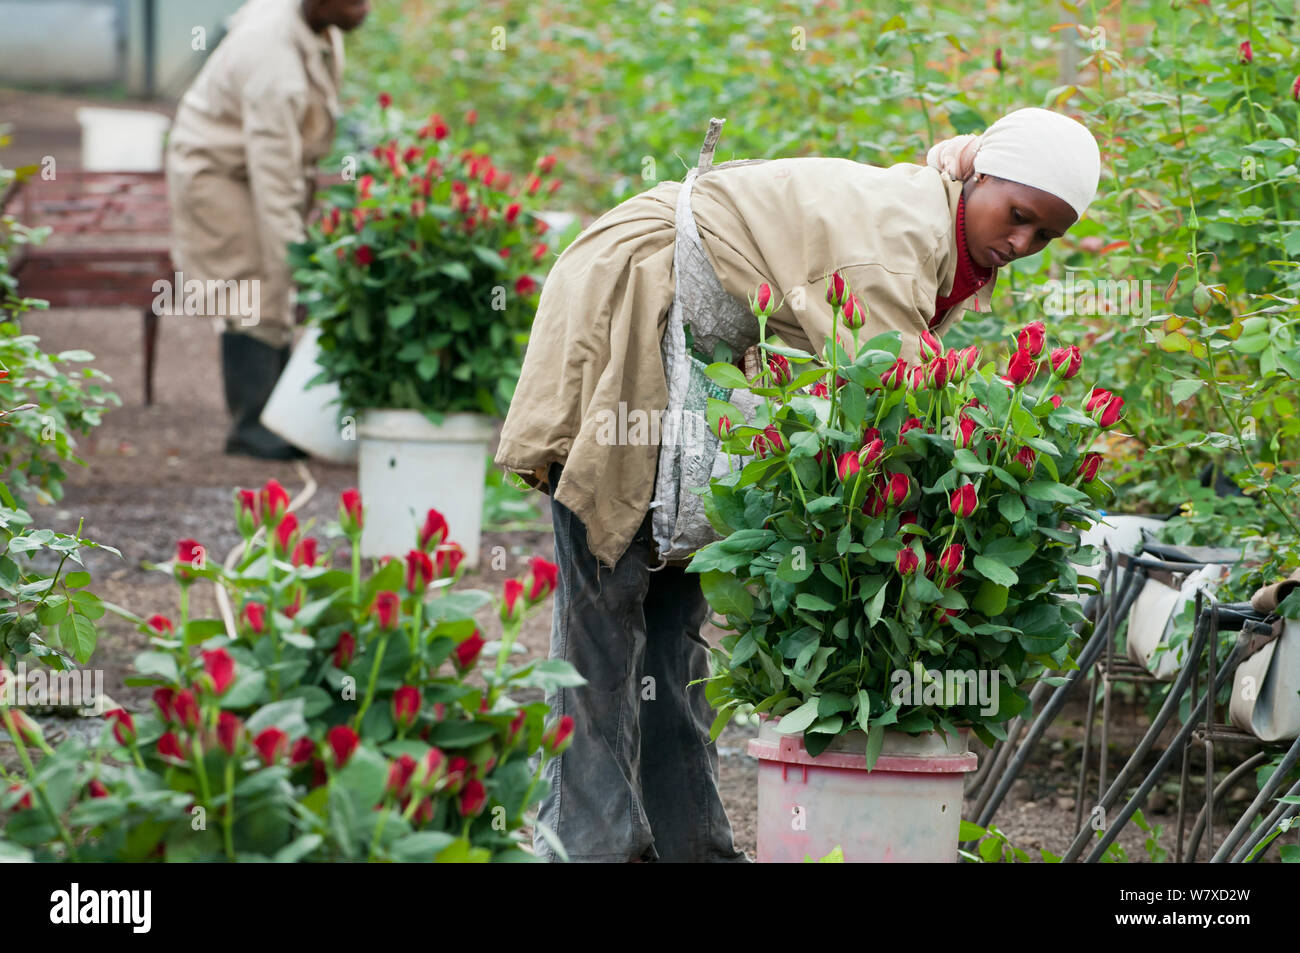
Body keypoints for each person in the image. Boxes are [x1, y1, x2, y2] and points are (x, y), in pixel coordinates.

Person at [494, 107, 1101, 862]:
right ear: (978, 177)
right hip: (626, 302)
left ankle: (691, 846)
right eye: (1018, 217)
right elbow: (898, 407)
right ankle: (590, 844)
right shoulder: (901, 240)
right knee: (607, 600)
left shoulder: (930, 229)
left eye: (1043, 236)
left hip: (684, 347)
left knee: (674, 611)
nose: (1021, 244)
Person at [165, 0, 370, 459]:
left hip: (252, 167)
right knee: (249, 289)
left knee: (271, 288)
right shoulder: (271, 57)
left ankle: (276, 416)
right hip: (218, 171)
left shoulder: (314, 24)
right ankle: (252, 425)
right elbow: (273, 173)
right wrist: (297, 258)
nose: (365, 8)